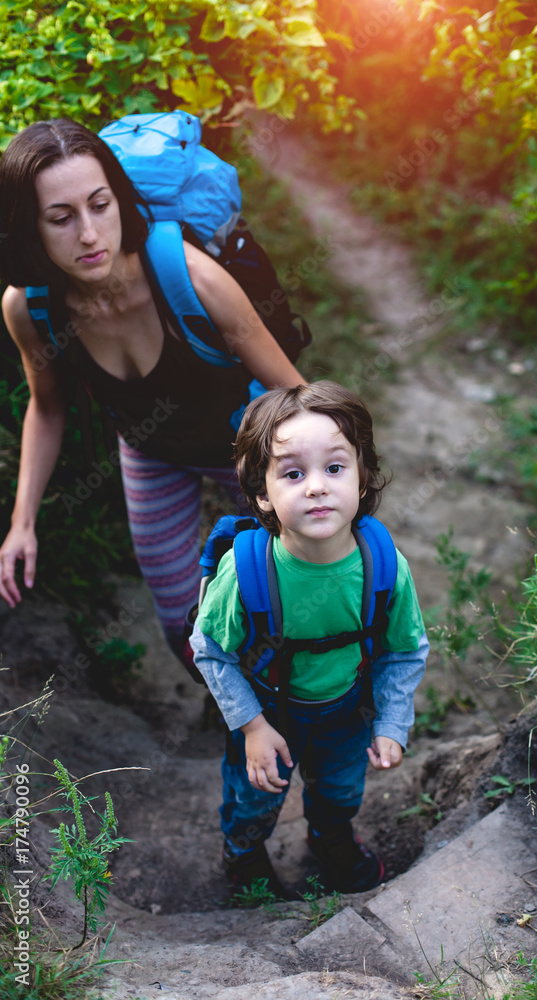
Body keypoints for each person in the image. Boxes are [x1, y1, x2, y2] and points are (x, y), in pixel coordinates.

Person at [0, 118, 305, 658]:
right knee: (181, 620)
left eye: (100, 205)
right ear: (30, 228)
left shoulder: (192, 276)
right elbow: (47, 409)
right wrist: (22, 522)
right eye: (61, 218)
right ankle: (228, 698)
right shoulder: (29, 308)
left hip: (249, 441)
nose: (89, 234)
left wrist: (328, 485)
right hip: (151, 452)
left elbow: (295, 392)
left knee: (298, 588)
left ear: (119, 200)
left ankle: (317, 693)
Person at [189, 381, 429, 898]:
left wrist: (392, 720)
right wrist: (252, 727)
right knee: (254, 798)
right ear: (262, 493)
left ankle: (329, 836)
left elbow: (404, 649)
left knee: (341, 789)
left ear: (362, 479)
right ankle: (244, 853)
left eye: (335, 468)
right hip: (268, 709)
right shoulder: (246, 574)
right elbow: (210, 650)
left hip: (348, 708)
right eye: (293, 473)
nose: (317, 487)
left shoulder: (384, 566)